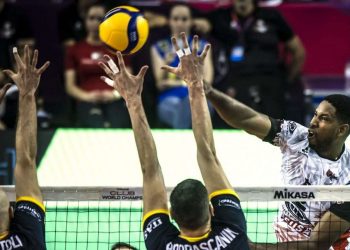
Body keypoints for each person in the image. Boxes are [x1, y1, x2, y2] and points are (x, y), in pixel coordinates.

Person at [99, 33, 249, 249]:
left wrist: (133, 101)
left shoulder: (162, 243)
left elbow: (150, 171)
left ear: (171, 215)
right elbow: (208, 155)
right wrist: (196, 84)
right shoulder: (232, 231)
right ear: (211, 209)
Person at [204, 80, 350, 242]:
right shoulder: (296, 137)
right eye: (315, 114)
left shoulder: (347, 178)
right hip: (284, 238)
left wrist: (252, 248)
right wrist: (209, 92)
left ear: (341, 130)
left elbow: (315, 245)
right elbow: (246, 118)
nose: (312, 122)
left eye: (323, 118)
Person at [209, 0, 305, 121]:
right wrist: (200, 23)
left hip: (269, 80)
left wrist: (288, 81)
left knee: (274, 124)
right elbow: (191, 18)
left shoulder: (271, 16)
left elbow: (298, 51)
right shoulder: (220, 17)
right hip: (235, 79)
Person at [0, 46, 50, 249]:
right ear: (12, 213)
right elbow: (26, 161)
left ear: (12, 214)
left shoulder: (28, 235)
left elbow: (26, 161)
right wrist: (27, 94)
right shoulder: (28, 238)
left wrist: (27, 95)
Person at [65, 3, 130, 128]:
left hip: (114, 98)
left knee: (117, 124)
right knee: (95, 123)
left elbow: (128, 81)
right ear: (85, 21)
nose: (95, 23)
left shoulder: (117, 48)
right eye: (91, 18)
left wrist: (114, 95)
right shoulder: (75, 49)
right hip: (86, 100)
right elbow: (70, 86)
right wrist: (88, 96)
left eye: (100, 19)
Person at [151, 4, 213, 128]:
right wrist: (167, 63)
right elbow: (160, 84)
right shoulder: (159, 47)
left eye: (184, 19)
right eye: (175, 19)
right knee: (184, 108)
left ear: (191, 22)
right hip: (169, 99)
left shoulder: (202, 46)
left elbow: (208, 82)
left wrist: (174, 83)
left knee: (195, 105)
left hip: (199, 97)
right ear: (169, 21)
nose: (180, 23)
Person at [0, 0, 34, 129]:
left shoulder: (15, 14)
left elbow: (26, 46)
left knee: (21, 92)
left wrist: (17, 67)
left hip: (12, 73)